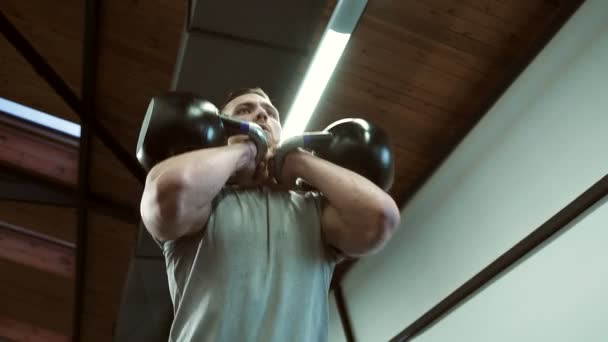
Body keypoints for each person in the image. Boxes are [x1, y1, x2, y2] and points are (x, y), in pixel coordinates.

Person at [139, 87, 401, 341]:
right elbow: (169, 194)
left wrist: (298, 161)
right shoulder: (204, 205)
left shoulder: (314, 210)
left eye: (271, 113)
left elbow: (381, 217)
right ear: (223, 128)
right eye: (245, 110)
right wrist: (246, 151)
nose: (262, 116)